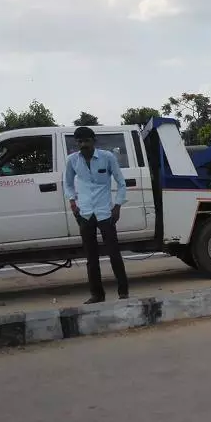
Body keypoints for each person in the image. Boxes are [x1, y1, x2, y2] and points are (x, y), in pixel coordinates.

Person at [64, 126, 129, 304]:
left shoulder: (107, 157)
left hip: (105, 212)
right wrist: (72, 202)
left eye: (86, 141)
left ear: (94, 141)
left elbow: (121, 182)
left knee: (114, 253)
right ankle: (97, 295)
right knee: (91, 258)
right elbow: (68, 184)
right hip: (85, 213)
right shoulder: (72, 160)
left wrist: (117, 207)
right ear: (76, 143)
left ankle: (123, 291)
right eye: (80, 142)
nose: (83, 144)